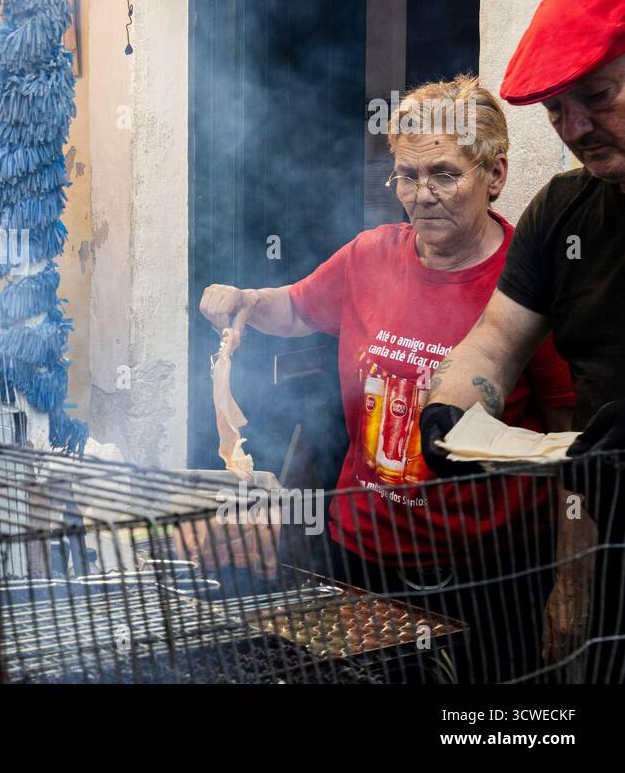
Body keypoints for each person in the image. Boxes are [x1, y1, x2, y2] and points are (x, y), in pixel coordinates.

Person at [198, 75, 576, 682]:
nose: (422, 195)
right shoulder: (369, 255)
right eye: (407, 175)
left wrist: (571, 578)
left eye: (445, 174)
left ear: (496, 176)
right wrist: (245, 299)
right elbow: (294, 307)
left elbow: (566, 434)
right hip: (363, 558)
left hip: (491, 578)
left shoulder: (526, 284)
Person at [423, 0, 625, 681]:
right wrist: (454, 402)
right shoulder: (564, 212)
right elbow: (498, 340)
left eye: (597, 98)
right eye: (556, 110)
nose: (575, 130)